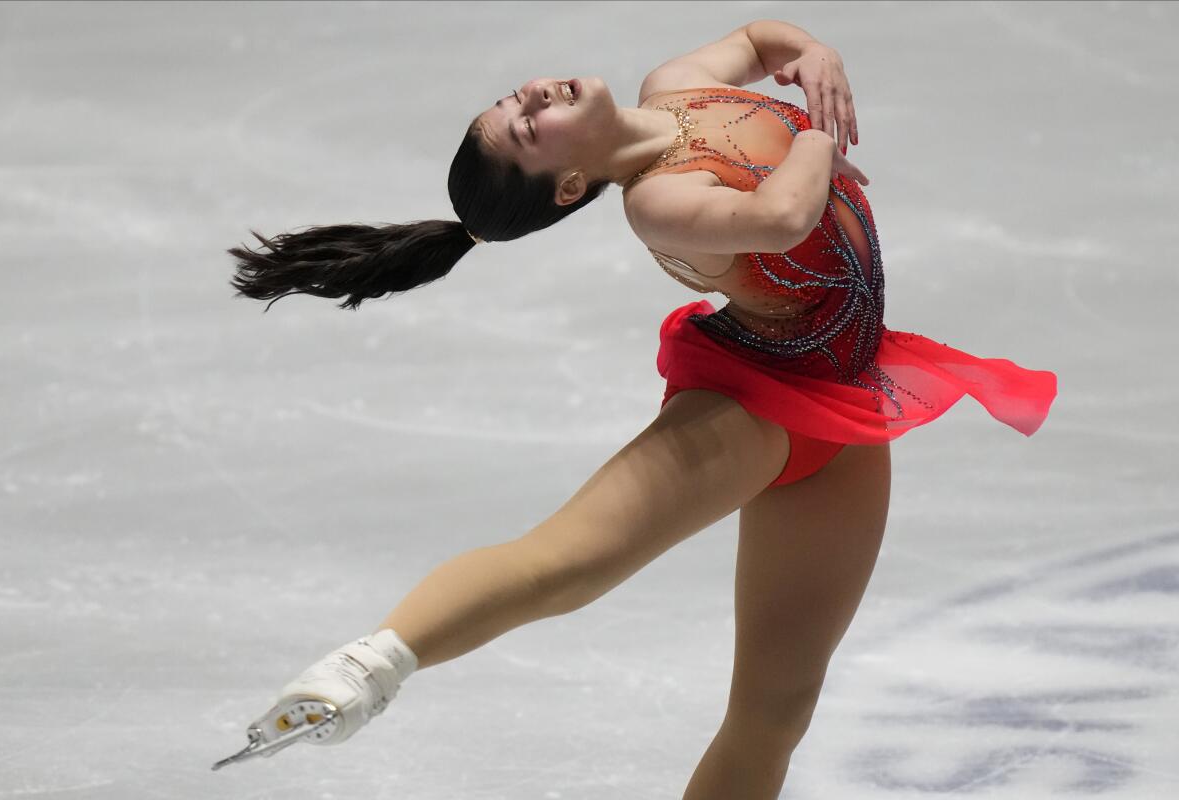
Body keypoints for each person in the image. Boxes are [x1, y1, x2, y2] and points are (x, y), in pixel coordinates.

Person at [216, 19, 1057, 797]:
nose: (536, 93)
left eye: (516, 97)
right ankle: (365, 670)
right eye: (526, 126)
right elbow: (780, 214)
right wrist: (813, 134)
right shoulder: (658, 201)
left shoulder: (677, 83)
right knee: (570, 562)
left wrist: (814, 54)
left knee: (777, 711)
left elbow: (763, 40)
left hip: (846, 413)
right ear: (570, 182)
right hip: (754, 403)